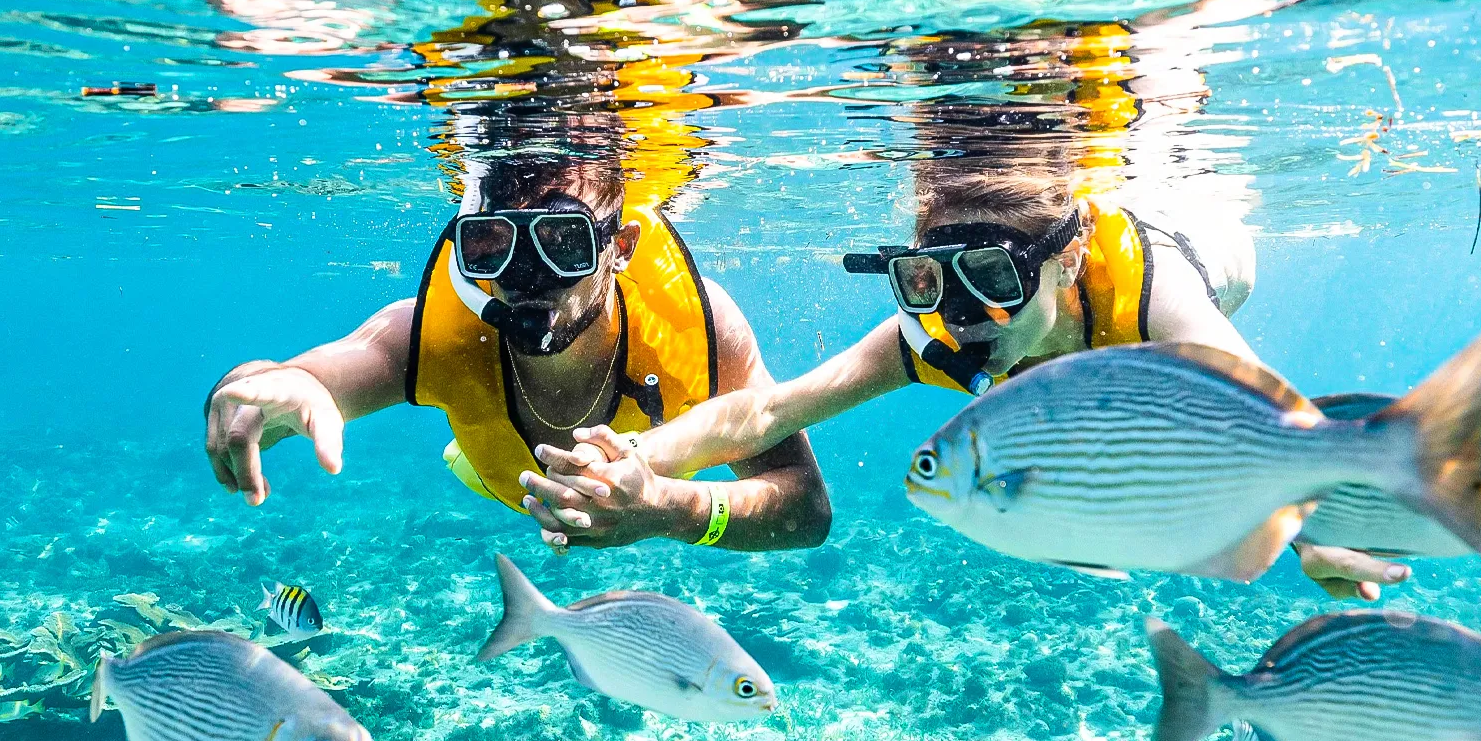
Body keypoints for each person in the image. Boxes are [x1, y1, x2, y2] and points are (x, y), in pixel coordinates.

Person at [523, 151, 1411, 599]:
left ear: (1065, 267)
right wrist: (638, 456)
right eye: (930, 284)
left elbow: (1277, 425)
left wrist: (1308, 535)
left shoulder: (1151, 304)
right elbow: (764, 413)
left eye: (993, 281)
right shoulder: (943, 325)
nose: (962, 319)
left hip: (1206, 248)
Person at [202, 128, 831, 551]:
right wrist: (260, 386)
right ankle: (466, 455)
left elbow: (806, 510)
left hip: (635, 481)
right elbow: (298, 381)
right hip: (498, 470)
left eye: (563, 242)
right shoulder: (429, 333)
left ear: (620, 248)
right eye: (492, 245)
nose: (525, 277)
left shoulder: (701, 327)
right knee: (467, 461)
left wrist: (672, 509)